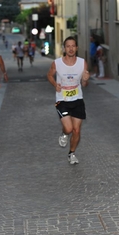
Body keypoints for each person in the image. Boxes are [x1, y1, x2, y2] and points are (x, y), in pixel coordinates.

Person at [47, 36, 90, 165]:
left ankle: (71, 153)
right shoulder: (57, 63)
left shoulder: (82, 63)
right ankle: (64, 134)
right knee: (69, 128)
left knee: (76, 130)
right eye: (68, 46)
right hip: (62, 100)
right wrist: (55, 84)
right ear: (64, 48)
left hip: (77, 99)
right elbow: (49, 75)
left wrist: (85, 79)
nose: (70, 49)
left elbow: (84, 84)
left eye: (73, 46)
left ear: (76, 48)